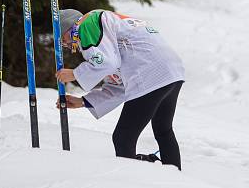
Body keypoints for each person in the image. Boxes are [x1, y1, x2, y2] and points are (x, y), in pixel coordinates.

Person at [54, 9, 185, 168]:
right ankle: (175, 179)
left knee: (123, 137)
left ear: (69, 28)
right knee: (163, 130)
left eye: (62, 39)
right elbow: (118, 84)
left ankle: (130, 182)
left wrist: (75, 74)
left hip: (149, 72)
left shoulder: (86, 24)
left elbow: (107, 63)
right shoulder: (106, 36)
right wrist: (84, 101)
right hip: (171, 72)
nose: (65, 45)